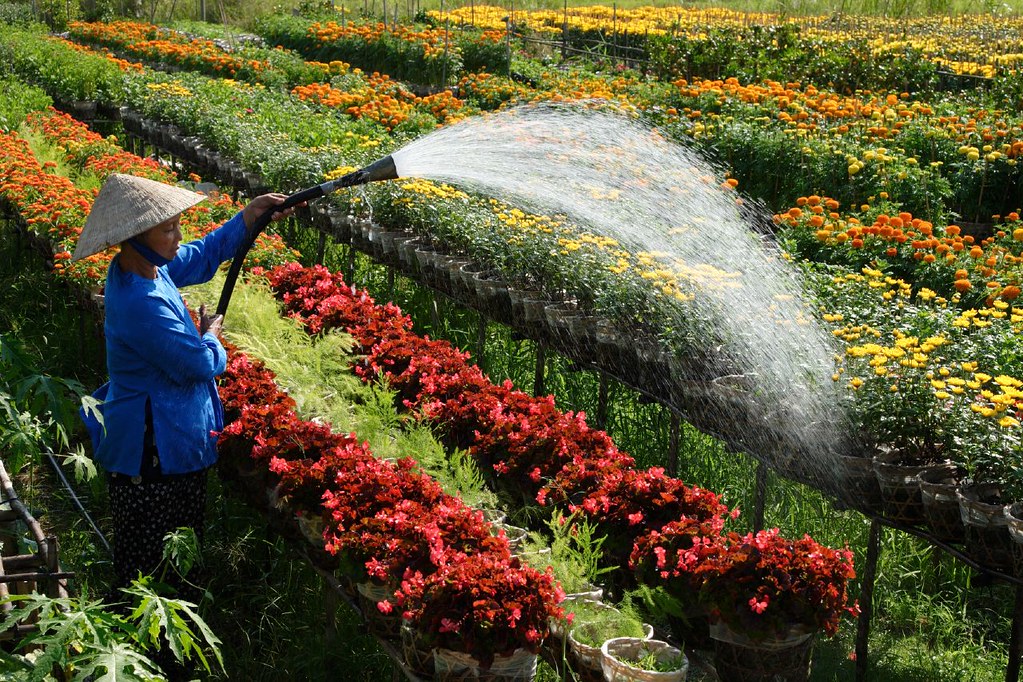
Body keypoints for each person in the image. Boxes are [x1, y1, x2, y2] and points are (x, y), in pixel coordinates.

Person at [73, 173, 296, 593]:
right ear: (137, 236)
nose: (178, 235)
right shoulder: (140, 301)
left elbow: (202, 253)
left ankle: (169, 635)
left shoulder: (146, 268)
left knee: (174, 549)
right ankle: (156, 647)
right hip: (153, 451)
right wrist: (210, 336)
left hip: (165, 438)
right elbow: (197, 363)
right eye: (168, 228)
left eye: (177, 224)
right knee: (154, 565)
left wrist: (248, 217)